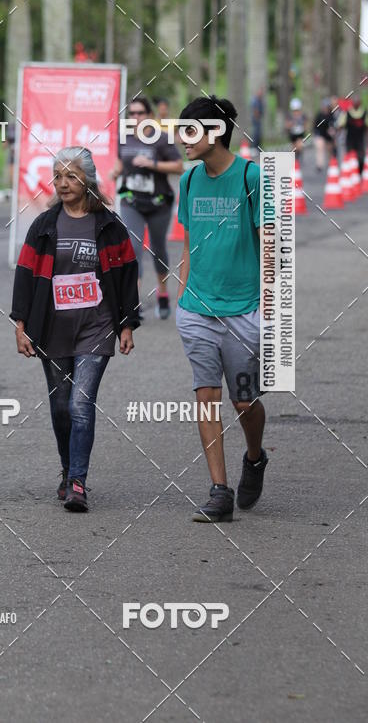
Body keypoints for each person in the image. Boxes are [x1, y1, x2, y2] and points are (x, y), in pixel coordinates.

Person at [11, 146, 139, 512]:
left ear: (88, 180)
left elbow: (126, 275)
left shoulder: (109, 226)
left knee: (81, 404)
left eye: (71, 176)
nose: (63, 183)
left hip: (95, 327)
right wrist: (20, 323)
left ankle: (78, 481)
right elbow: (25, 275)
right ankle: (68, 470)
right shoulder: (45, 226)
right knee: (60, 406)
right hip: (52, 329)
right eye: (58, 176)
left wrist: (127, 323)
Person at [174, 95, 267, 523]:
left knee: (243, 401)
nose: (182, 139)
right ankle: (219, 491)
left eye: (190, 130)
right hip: (198, 309)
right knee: (206, 395)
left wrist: (273, 310)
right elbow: (190, 241)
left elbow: (271, 246)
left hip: (245, 309)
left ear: (215, 132)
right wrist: (183, 295)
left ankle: (254, 456)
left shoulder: (252, 177)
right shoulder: (189, 182)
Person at [111, 96, 183, 320]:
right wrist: (114, 172)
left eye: (140, 113)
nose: (135, 117)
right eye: (131, 113)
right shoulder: (124, 139)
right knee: (132, 247)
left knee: (158, 249)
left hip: (158, 202)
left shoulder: (161, 139)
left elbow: (179, 166)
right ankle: (133, 301)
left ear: (149, 116)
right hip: (131, 200)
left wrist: (152, 164)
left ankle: (162, 294)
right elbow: (121, 162)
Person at [341, 95, 367, 175]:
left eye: (357, 102)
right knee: (350, 156)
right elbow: (341, 124)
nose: (356, 104)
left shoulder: (364, 113)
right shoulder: (347, 112)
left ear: (360, 103)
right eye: (354, 102)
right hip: (350, 139)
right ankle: (350, 172)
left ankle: (360, 171)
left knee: (361, 156)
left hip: (360, 139)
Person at [312, 97, 336, 171]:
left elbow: (334, 125)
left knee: (330, 149)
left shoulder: (331, 115)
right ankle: (320, 164)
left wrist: (332, 130)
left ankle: (331, 163)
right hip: (320, 134)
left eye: (326, 107)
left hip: (329, 136)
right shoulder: (319, 115)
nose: (325, 109)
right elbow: (315, 126)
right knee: (320, 147)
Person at [249, 86, 265, 152]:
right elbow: (255, 110)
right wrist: (257, 117)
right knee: (256, 133)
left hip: (258, 119)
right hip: (256, 119)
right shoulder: (255, 100)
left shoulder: (260, 100)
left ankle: (258, 147)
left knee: (258, 134)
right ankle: (254, 147)